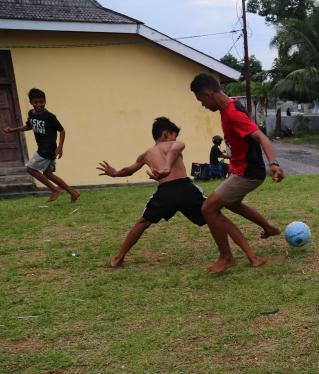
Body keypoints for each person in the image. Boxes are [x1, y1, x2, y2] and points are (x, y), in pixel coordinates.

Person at [97, 118, 262, 268]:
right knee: (219, 218)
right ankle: (252, 257)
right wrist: (167, 166)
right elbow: (176, 148)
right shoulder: (173, 144)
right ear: (166, 134)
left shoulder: (146, 154)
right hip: (185, 189)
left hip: (165, 192)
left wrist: (115, 173)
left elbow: (129, 170)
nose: (176, 140)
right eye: (174, 136)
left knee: (143, 223)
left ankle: (119, 257)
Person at [190, 73, 284, 273]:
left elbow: (261, 137)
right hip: (242, 169)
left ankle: (226, 257)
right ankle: (268, 228)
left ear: (208, 93)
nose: (203, 105)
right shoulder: (229, 106)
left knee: (208, 209)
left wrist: (273, 163)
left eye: (201, 100)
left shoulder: (232, 112)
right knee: (232, 204)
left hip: (248, 172)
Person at [3, 88, 80, 202]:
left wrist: (60, 147)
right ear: (31, 103)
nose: (39, 104)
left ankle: (55, 190)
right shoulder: (31, 113)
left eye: (41, 102)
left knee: (30, 169)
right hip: (44, 148)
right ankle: (73, 192)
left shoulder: (50, 116)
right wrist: (13, 130)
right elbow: (29, 126)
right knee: (48, 174)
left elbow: (62, 130)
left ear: (45, 101)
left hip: (47, 149)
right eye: (36, 102)